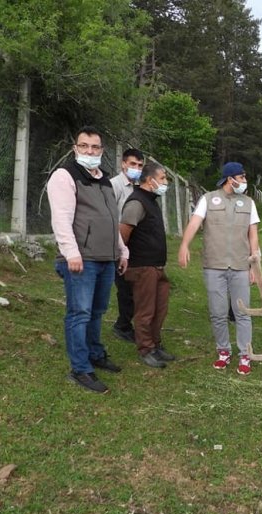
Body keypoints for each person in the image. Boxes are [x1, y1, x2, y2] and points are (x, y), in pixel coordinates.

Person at [47, 126, 129, 394]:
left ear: (102, 151)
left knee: (97, 311)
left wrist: (122, 251)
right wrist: (71, 252)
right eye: (84, 146)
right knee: (79, 314)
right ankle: (80, 368)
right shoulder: (65, 176)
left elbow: (112, 220)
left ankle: (96, 354)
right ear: (75, 148)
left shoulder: (105, 179)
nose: (89, 152)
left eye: (95, 147)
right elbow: (61, 218)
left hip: (106, 258)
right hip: (81, 259)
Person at [178, 162, 260, 375]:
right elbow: (195, 223)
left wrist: (254, 264)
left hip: (241, 265)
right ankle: (223, 351)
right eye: (241, 178)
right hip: (214, 266)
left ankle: (245, 354)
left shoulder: (249, 203)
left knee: (243, 312)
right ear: (229, 179)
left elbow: (253, 234)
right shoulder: (208, 199)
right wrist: (184, 245)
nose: (244, 181)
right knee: (218, 312)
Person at [119, 162, 175, 368]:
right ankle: (146, 349)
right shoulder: (136, 203)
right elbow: (123, 234)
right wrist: (122, 258)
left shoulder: (152, 201)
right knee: (145, 310)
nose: (165, 183)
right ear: (149, 180)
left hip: (157, 266)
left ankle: (155, 344)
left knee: (160, 308)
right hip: (142, 267)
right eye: (162, 179)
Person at [110, 148, 145, 343]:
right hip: (119, 244)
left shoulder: (138, 187)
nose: (136, 168)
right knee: (125, 289)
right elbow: (111, 216)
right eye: (133, 164)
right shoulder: (114, 186)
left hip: (135, 247)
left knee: (135, 288)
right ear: (123, 164)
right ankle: (122, 325)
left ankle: (128, 323)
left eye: (140, 165)